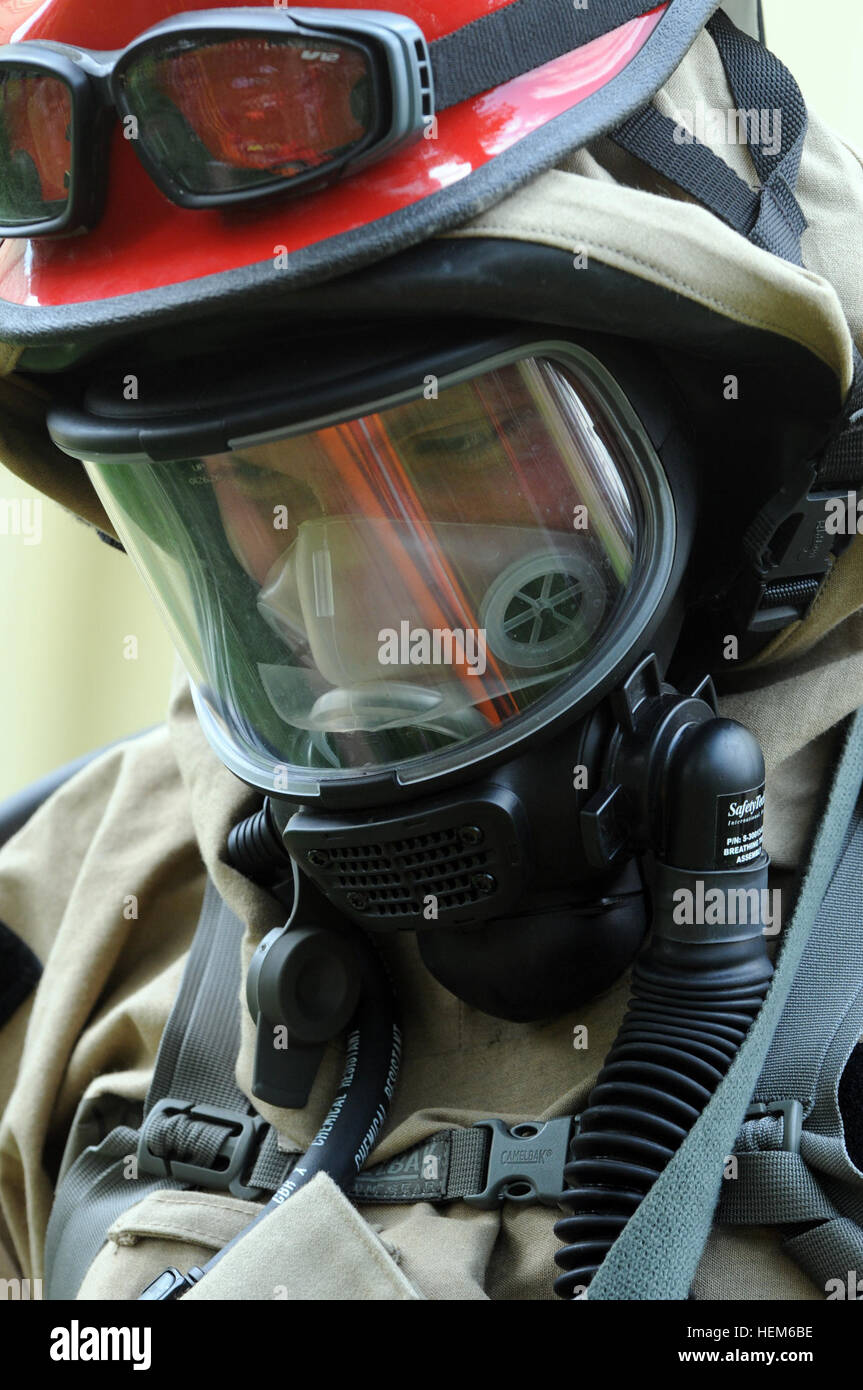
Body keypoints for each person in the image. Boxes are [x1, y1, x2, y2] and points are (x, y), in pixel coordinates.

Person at [0, 0, 862, 1302]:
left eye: (450, 442)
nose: (354, 610)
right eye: (240, 485)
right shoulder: (74, 921)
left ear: (720, 441)